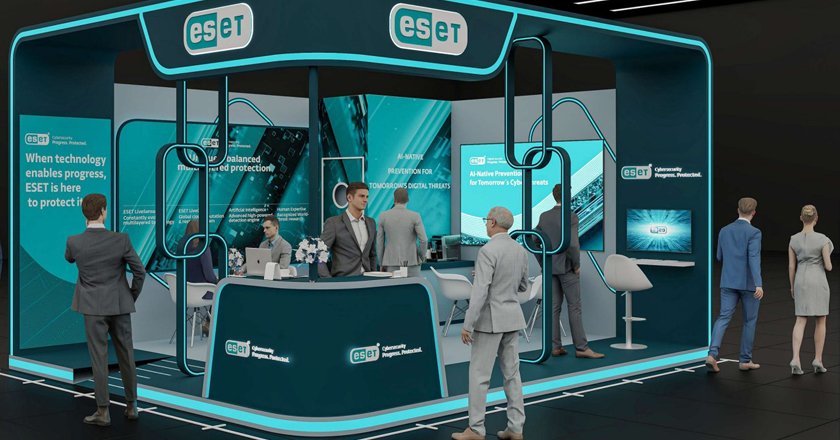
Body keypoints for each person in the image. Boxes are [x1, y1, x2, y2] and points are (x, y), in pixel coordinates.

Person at [65, 194, 146, 426]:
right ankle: (132, 406)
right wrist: (130, 296)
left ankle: (103, 411)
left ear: (85, 214)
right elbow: (140, 272)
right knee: (126, 355)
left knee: (98, 358)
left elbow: (69, 258)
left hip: (92, 308)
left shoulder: (74, 242)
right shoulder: (121, 239)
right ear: (103, 211)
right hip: (119, 305)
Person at [453, 207, 528, 440]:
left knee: (479, 376)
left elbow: (480, 293)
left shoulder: (487, 250)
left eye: (486, 220)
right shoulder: (520, 249)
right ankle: (516, 428)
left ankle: (476, 429)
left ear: (493, 222)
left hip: (489, 321)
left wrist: (468, 324)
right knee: (512, 375)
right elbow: (523, 286)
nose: (486, 224)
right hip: (512, 318)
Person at [532, 184, 604, 359]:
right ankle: (581, 348)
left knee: (553, 307)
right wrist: (576, 264)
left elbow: (534, 239)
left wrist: (543, 261)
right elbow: (572, 244)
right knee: (574, 307)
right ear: (567, 196)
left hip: (550, 267)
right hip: (566, 267)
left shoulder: (544, 216)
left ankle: (555, 347)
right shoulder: (570, 216)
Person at [706, 197, 763, 373]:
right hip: (748, 284)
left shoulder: (724, 230)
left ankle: (712, 354)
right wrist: (758, 284)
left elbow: (719, 256)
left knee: (723, 317)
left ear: (738, 210)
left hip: (728, 281)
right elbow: (753, 258)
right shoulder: (754, 232)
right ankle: (745, 360)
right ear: (754, 213)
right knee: (749, 321)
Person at [788, 205, 833, 375]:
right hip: (818, 280)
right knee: (821, 320)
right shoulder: (823, 239)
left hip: (800, 280)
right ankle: (818, 359)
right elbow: (828, 266)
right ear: (816, 218)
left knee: (800, 319)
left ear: (801, 218)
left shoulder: (793, 239)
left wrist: (792, 286)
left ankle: (795, 358)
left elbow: (791, 266)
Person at [320, 182, 377, 277]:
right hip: (344, 280)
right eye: (361, 196)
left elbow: (372, 254)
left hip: (367, 279)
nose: (365, 200)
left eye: (367, 197)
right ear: (349, 197)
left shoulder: (371, 222)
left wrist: (374, 275)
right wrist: (327, 280)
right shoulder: (334, 223)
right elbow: (319, 254)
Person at [179, 219, 218, 337]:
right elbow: (209, 275)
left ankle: (207, 324)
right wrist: (218, 280)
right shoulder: (203, 248)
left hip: (185, 293)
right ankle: (208, 324)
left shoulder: (181, 248)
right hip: (202, 293)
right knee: (222, 290)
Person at [376, 188, 428, 277]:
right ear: (408, 200)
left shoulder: (383, 216)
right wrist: (421, 257)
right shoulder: (415, 216)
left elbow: (379, 242)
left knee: (394, 286)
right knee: (413, 285)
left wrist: (381, 262)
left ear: (394, 200)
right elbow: (424, 240)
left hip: (390, 262)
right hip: (412, 262)